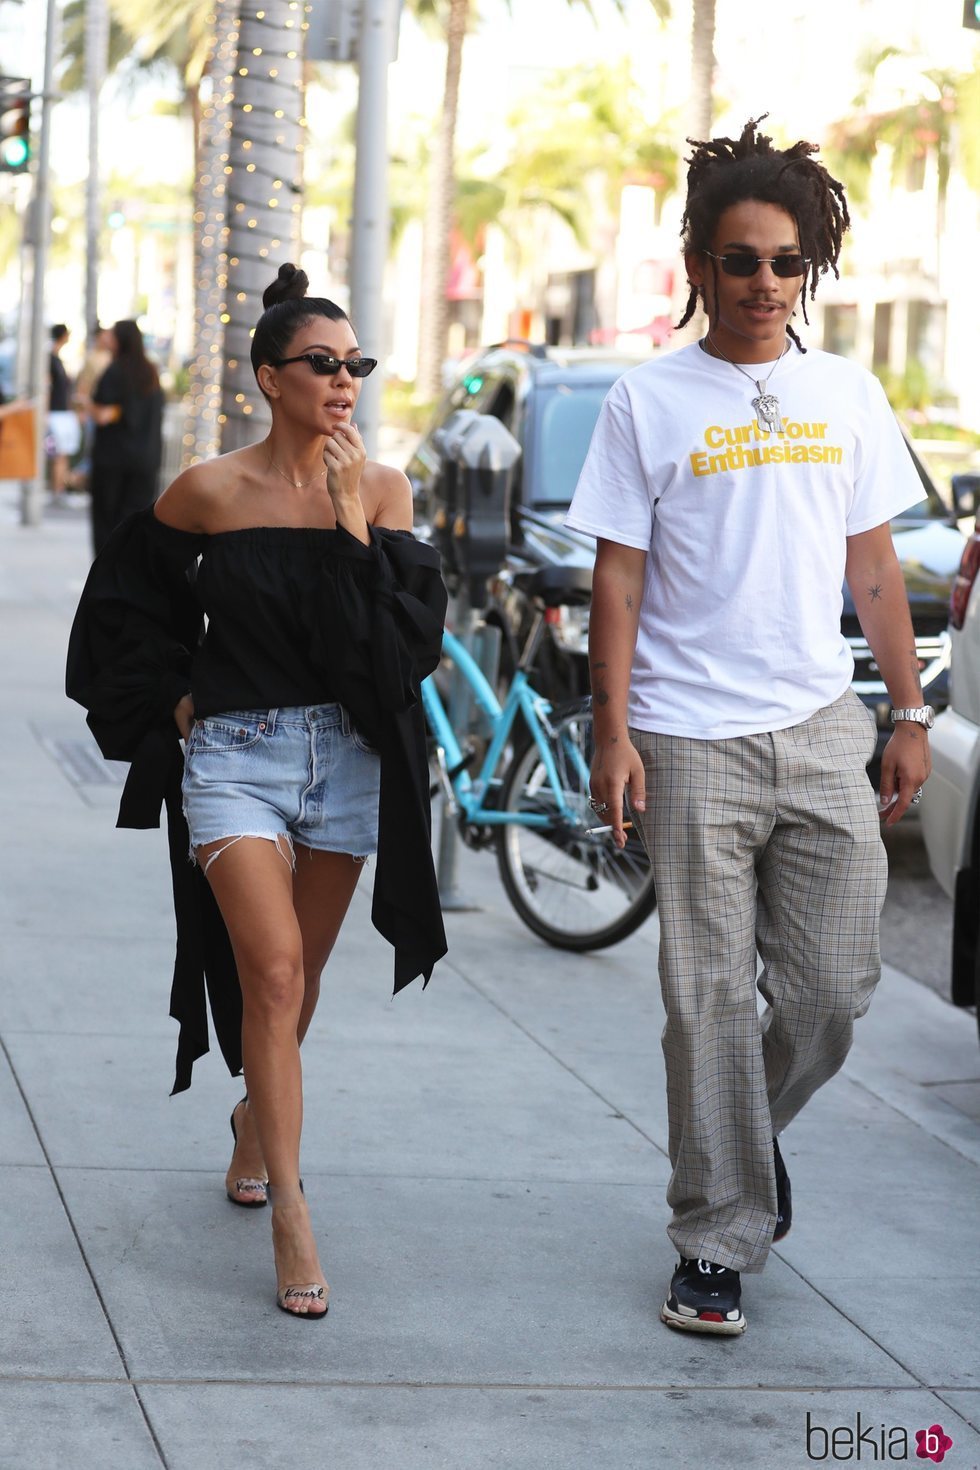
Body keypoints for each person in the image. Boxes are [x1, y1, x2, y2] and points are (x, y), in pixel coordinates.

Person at [566, 117, 931, 1336]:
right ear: (699, 268)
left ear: (807, 269)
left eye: (782, 262)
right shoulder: (646, 399)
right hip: (683, 733)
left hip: (818, 720)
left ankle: (742, 1143)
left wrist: (906, 709)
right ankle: (715, 1234)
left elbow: (870, 566)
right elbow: (615, 577)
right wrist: (610, 731)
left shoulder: (844, 392)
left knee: (834, 989)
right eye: (738, 260)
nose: (761, 283)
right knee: (706, 997)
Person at [66, 265, 448, 1318]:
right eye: (322, 365)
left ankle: (251, 1123)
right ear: (268, 380)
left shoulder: (377, 490)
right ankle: (290, 1206)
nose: (344, 382)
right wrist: (182, 707)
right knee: (272, 975)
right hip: (236, 759)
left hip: (348, 760)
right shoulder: (207, 490)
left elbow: (405, 648)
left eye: (355, 365)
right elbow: (122, 611)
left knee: (297, 984)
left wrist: (353, 529)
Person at [82, 319, 164, 554]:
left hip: (113, 460)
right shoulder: (151, 373)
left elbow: (102, 414)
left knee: (107, 523)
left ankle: (106, 578)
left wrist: (86, 404)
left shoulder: (115, 371)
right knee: (135, 524)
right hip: (146, 461)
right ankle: (128, 578)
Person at [47, 324, 81, 499]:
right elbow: (47, 387)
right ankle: (57, 491)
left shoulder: (57, 359)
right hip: (54, 413)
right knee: (58, 454)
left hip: (62, 412)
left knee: (63, 453)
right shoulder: (50, 359)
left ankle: (59, 489)